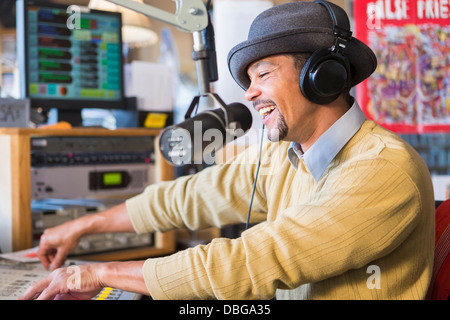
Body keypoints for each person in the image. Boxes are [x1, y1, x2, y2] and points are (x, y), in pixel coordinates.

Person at [21, 1, 435, 300]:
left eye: (263, 74)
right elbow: (190, 196)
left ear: (323, 77)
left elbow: (255, 260)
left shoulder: (382, 169)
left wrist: (95, 274)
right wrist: (83, 226)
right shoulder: (285, 156)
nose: (250, 93)